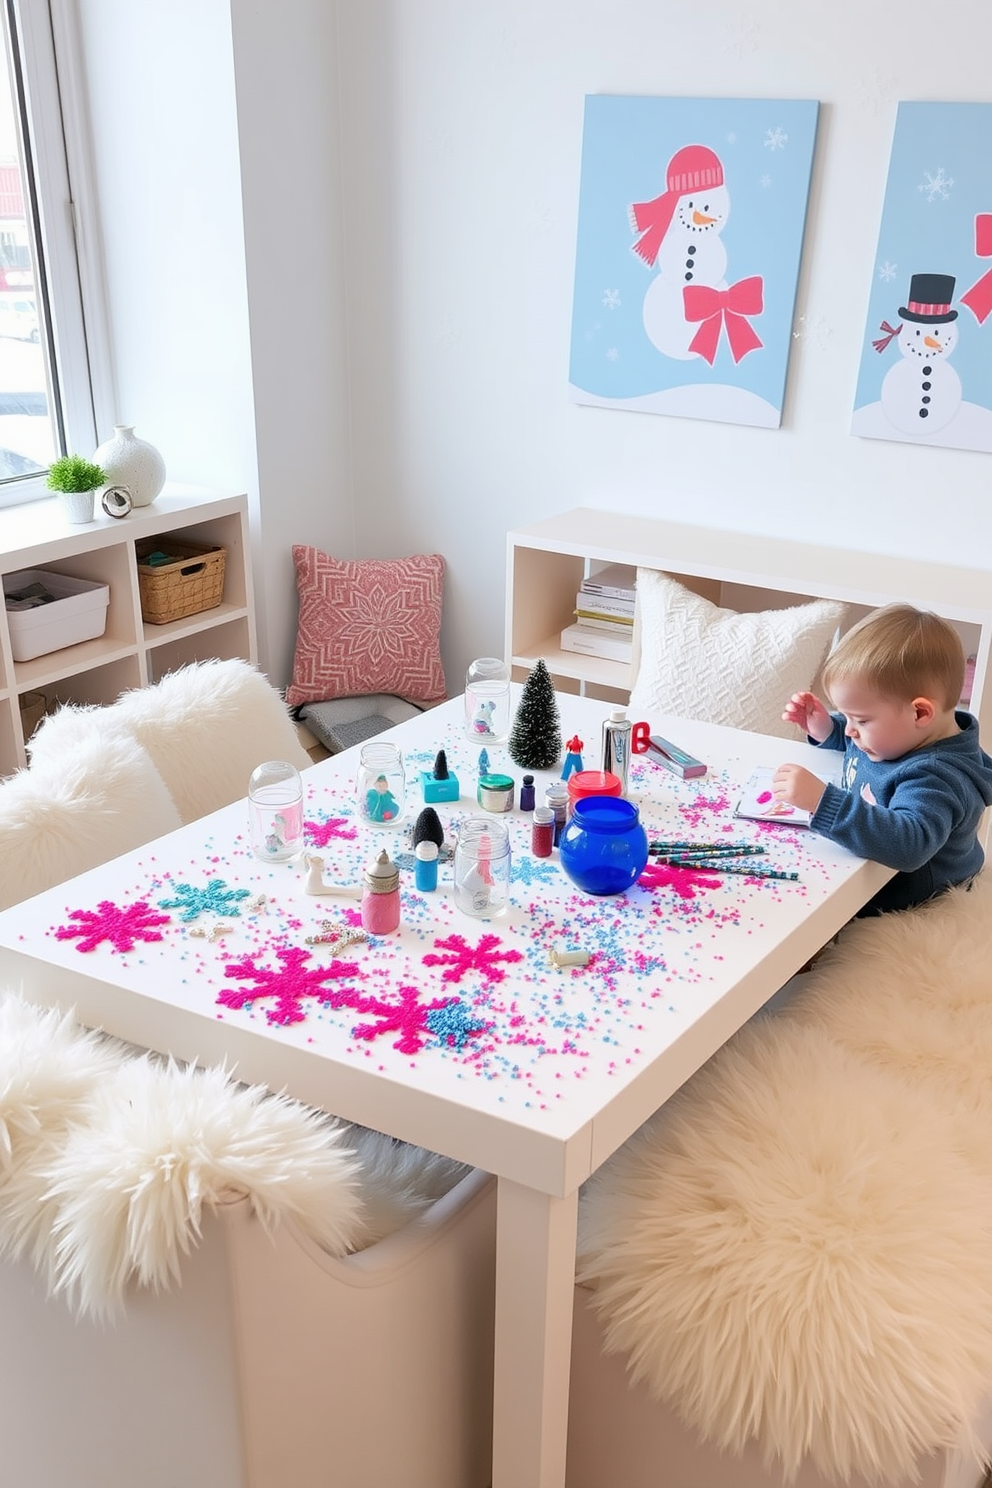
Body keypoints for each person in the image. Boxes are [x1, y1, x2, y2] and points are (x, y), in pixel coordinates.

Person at [773, 603, 992, 915]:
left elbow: (908, 845)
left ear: (920, 712)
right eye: (846, 717)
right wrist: (826, 729)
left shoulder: (935, 776)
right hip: (863, 874)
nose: (850, 731)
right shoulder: (899, 738)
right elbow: (860, 747)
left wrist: (824, 802)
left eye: (860, 720)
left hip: (916, 903)